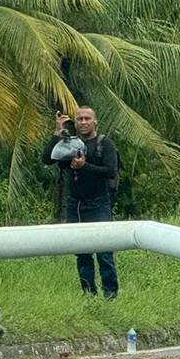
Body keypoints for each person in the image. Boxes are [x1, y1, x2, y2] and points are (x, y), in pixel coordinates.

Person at [42, 106, 119, 299]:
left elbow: (110, 171)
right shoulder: (68, 144)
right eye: (79, 119)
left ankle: (111, 295)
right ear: (74, 123)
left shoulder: (104, 144)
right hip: (75, 204)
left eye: (87, 119)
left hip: (98, 203)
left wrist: (85, 166)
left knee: (104, 253)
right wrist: (56, 134)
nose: (83, 122)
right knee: (82, 253)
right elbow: (46, 159)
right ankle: (88, 295)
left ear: (95, 122)